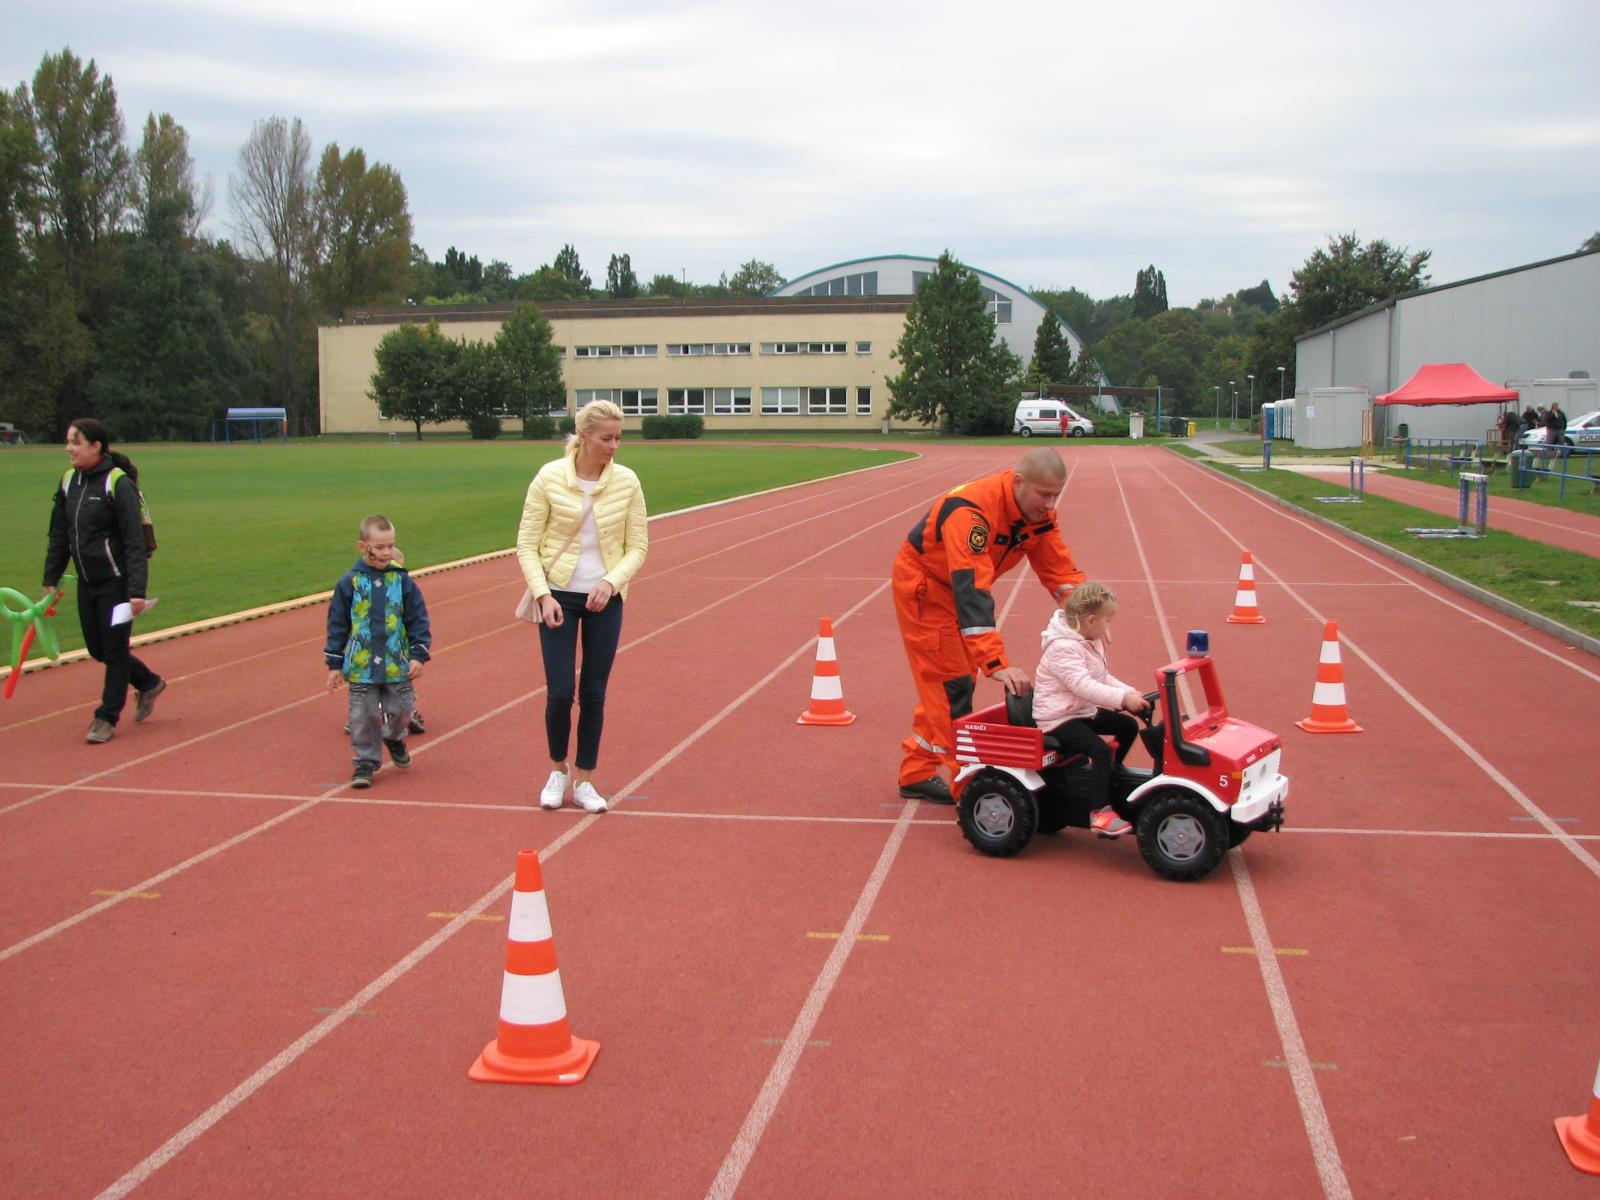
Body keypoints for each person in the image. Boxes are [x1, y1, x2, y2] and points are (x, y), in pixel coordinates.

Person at [891, 447, 1086, 804]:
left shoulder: (1035, 514)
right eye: (1044, 494)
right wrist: (996, 663)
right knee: (951, 686)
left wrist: (1086, 614)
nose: (1049, 503)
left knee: (955, 679)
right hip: (927, 588)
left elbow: (1058, 568)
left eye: (1055, 494)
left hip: (958, 588)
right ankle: (971, 785)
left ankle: (916, 772)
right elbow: (973, 590)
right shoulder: (971, 514)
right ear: (1018, 482)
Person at [517, 399, 648, 814]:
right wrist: (543, 594)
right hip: (557, 595)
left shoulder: (627, 481)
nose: (614, 446)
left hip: (604, 599)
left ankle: (586, 780)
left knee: (593, 693)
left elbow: (638, 546)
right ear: (584, 435)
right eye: (606, 438)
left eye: (618, 438)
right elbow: (526, 544)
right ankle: (558, 771)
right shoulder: (549, 477)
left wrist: (611, 582)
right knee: (559, 693)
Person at [41, 418, 166, 744]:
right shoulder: (69, 482)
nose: (69, 447)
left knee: (114, 650)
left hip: (116, 581)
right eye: (68, 441)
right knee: (98, 649)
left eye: (75, 442)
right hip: (87, 580)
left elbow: (134, 541)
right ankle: (149, 681)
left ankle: (105, 717)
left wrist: (136, 591)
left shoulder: (118, 484)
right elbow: (59, 534)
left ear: (96, 446)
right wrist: (50, 578)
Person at [1031, 581, 1150, 837]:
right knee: (1099, 750)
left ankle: (1108, 778)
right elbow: (1083, 686)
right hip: (1057, 717)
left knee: (1127, 726)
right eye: (1109, 621)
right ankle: (1099, 812)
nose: (1110, 627)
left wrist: (1129, 693)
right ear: (1092, 620)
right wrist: (1122, 699)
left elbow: (1102, 677)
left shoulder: (1087, 638)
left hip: (1079, 710)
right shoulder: (1063, 648)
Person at [324, 515, 431, 789]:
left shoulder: (403, 582)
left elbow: (418, 618)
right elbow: (338, 624)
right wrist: (334, 664)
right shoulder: (349, 583)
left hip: (397, 664)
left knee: (403, 709)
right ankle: (365, 762)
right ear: (363, 546)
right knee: (362, 716)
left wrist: (419, 654)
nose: (386, 552)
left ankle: (394, 738)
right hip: (361, 666)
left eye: (390, 546)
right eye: (379, 547)